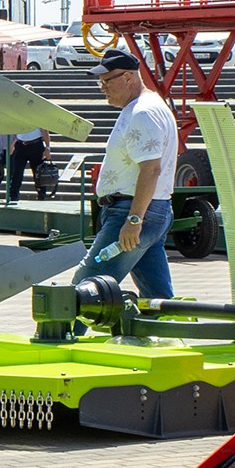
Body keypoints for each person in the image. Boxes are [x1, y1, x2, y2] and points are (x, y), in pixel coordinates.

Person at [75, 50, 177, 298]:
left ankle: (60, 335)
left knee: (83, 289)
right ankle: (170, 330)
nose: (102, 88)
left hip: (133, 210)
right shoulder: (151, 105)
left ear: (129, 77)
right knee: (157, 297)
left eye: (107, 80)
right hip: (151, 209)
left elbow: (151, 169)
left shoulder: (142, 112)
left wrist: (133, 220)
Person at [4, 127, 47, 205]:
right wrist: (13, 144)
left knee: (38, 173)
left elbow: (45, 130)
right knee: (17, 172)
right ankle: (13, 197)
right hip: (20, 145)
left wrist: (48, 148)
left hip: (35, 144)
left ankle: (41, 195)